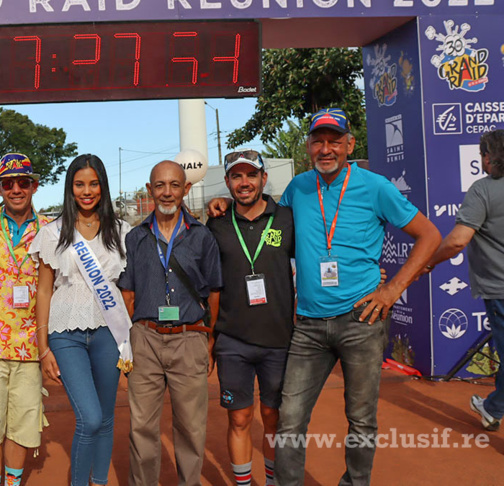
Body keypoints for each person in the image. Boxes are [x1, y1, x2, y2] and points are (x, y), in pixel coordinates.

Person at [208, 107, 441, 485]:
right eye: (319, 141)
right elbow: (262, 226)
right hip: (309, 326)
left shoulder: (375, 187)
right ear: (309, 146)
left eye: (335, 141)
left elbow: (430, 236)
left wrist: (392, 288)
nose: (326, 149)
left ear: (350, 144)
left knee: (361, 418)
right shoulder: (299, 188)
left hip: (361, 320)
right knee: (289, 417)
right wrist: (217, 205)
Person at [30, 154, 132, 486]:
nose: (86, 191)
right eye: (79, 184)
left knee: (105, 419)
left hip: (109, 332)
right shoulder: (53, 233)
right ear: (69, 188)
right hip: (65, 333)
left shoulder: (122, 231)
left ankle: (98, 482)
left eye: (93, 183)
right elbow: (44, 291)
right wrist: (43, 348)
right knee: (88, 418)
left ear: (102, 186)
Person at [118, 160, 221, 486]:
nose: (167, 192)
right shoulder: (135, 237)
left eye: (174, 185)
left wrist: (209, 337)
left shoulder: (202, 237)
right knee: (142, 427)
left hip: (189, 337)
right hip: (145, 339)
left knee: (191, 427)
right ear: (149, 190)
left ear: (186, 189)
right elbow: (127, 294)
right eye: (159, 185)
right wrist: (130, 340)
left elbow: (215, 292)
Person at [205, 150, 294, 486]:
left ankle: (272, 481)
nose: (244, 183)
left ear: (264, 179)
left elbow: (317, 257)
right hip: (232, 339)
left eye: (251, 175)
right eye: (236, 176)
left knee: (273, 417)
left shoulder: (286, 218)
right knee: (240, 418)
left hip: (279, 339)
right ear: (228, 181)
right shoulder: (216, 223)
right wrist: (210, 335)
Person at [0, 153, 51, 486]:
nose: (15, 189)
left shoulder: (49, 229)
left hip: (30, 346)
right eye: (8, 183)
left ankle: (13, 483)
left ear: (34, 185)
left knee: (23, 423)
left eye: (23, 182)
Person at [424, 130, 504, 432]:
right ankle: (494, 408)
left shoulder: (482, 190)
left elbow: (457, 241)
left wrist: (429, 261)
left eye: (483, 154)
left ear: (489, 156)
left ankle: (495, 407)